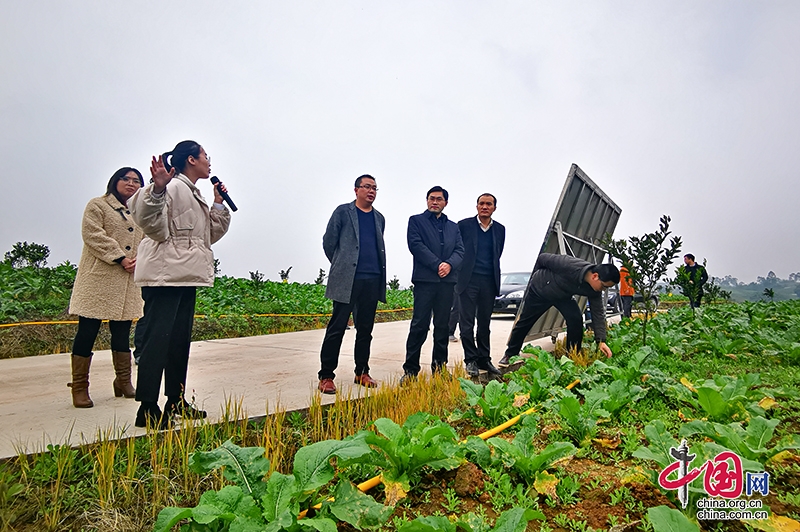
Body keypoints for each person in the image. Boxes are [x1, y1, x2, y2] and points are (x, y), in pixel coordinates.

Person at [129, 141, 231, 428]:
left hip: (185, 276)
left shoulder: (192, 192)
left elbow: (207, 235)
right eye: (205, 156)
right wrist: (157, 188)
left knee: (177, 343)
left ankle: (176, 400)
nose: (209, 162)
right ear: (191, 159)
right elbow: (150, 223)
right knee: (157, 342)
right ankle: (147, 407)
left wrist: (219, 203)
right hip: (165, 276)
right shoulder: (172, 187)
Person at [67, 168, 145, 408]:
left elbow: (149, 238)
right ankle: (80, 387)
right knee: (87, 331)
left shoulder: (139, 211)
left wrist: (140, 261)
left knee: (121, 333)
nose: (131, 184)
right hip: (100, 277)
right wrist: (120, 257)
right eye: (126, 179)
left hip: (128, 280)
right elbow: (93, 235)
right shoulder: (98, 205)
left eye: (136, 181)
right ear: (115, 182)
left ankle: (123, 381)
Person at [317, 175, 386, 394]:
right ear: (356, 190)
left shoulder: (379, 218)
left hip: (372, 279)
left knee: (365, 330)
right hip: (348, 279)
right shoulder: (343, 212)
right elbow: (329, 242)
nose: (371, 191)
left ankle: (362, 371)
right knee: (337, 327)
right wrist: (341, 265)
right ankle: (326, 375)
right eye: (367, 187)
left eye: (375, 188)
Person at [499, 254, 619, 365]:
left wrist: (601, 341)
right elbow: (542, 258)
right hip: (540, 291)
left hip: (562, 296)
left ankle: (572, 356)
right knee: (525, 321)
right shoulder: (569, 264)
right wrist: (537, 278)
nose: (603, 290)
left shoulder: (594, 291)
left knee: (576, 319)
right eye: (604, 286)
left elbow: (598, 314)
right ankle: (510, 354)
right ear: (595, 276)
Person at [401, 186, 464, 383]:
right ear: (427, 201)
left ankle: (440, 367)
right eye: (431, 198)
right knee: (419, 325)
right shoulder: (416, 221)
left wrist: (450, 264)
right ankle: (411, 370)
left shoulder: (453, 227)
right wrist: (438, 265)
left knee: (442, 326)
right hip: (425, 281)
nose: (434, 202)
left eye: (438, 199)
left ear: (446, 202)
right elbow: (416, 246)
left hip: (446, 283)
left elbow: (460, 250)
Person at [456, 193, 505, 377]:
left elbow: (497, 253)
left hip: (488, 282)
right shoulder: (464, 225)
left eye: (489, 204)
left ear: (494, 208)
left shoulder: (500, 229)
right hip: (468, 281)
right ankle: (471, 360)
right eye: (482, 203)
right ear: (476, 206)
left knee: (484, 323)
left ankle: (485, 358)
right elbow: (459, 250)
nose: (485, 207)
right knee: (466, 324)